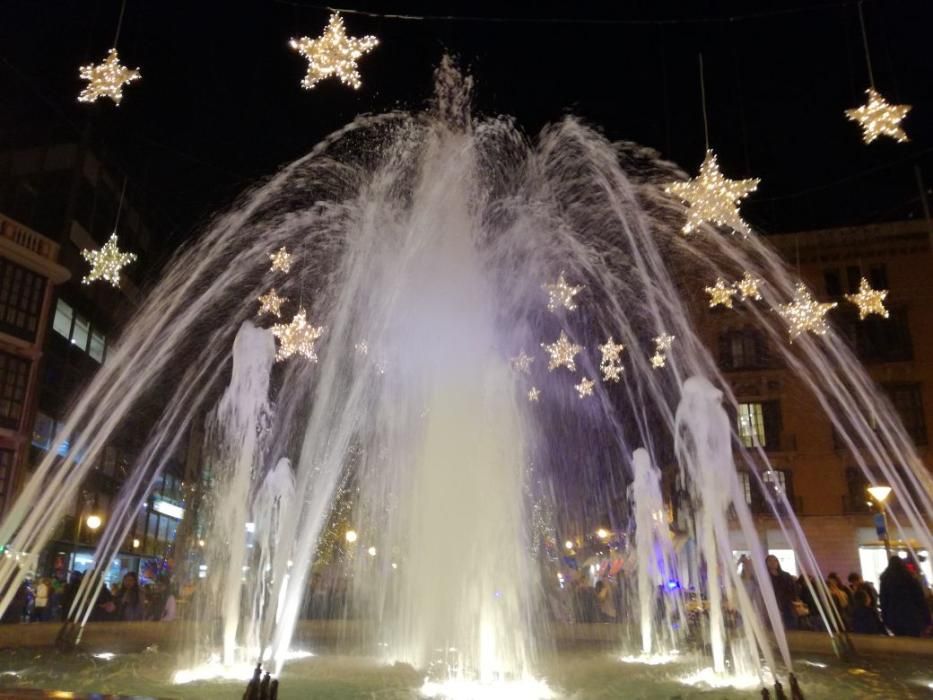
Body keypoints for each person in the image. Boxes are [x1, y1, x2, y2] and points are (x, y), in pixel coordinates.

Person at [880, 556, 931, 636]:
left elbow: (883, 601)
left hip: (894, 618)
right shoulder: (909, 578)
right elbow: (920, 600)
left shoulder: (885, 581)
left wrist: (885, 619)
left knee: (901, 639)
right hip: (912, 617)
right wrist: (927, 619)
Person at [765, 555, 799, 630]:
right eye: (770, 561)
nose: (772, 563)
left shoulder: (786, 575)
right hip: (772, 603)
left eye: (775, 560)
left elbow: (792, 589)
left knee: (790, 624)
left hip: (786, 603)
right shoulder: (765, 577)